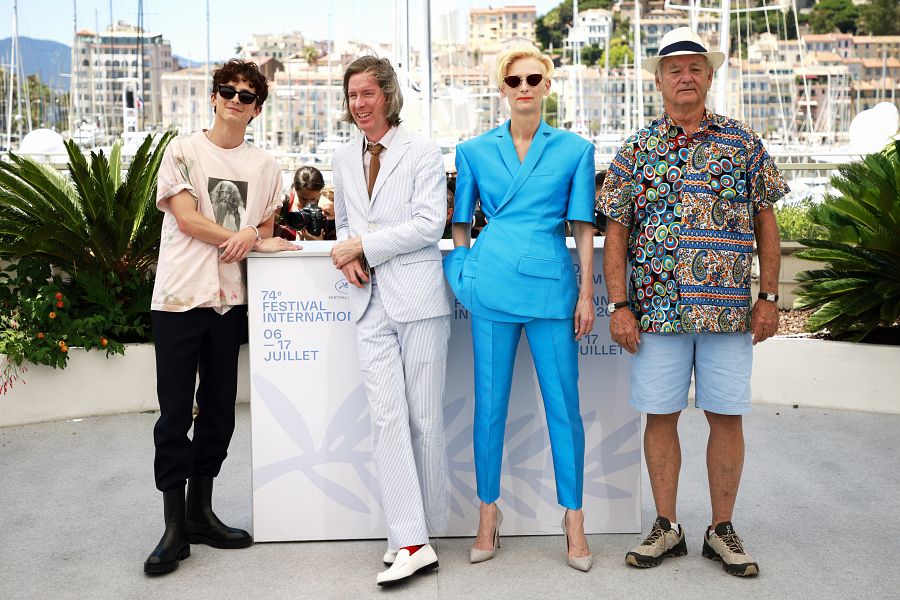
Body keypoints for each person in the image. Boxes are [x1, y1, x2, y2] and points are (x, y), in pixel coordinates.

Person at [597, 27, 788, 578]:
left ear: (709, 76)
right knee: (660, 415)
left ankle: (721, 528)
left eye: (695, 67)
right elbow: (617, 233)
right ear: (658, 81)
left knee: (727, 415)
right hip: (656, 313)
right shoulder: (636, 149)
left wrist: (768, 297)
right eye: (674, 68)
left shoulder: (744, 143)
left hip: (729, 312)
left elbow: (765, 224)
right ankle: (666, 526)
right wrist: (619, 304)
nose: (685, 76)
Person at [443, 45, 596, 572]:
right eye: (514, 80)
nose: (524, 87)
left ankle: (573, 517)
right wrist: (463, 274)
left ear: (547, 86)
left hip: (552, 288)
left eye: (534, 78)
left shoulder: (575, 149)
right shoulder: (473, 150)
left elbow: (582, 227)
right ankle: (488, 512)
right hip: (491, 286)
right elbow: (460, 224)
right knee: (489, 407)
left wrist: (586, 294)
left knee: (564, 410)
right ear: (503, 88)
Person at [144, 58, 298, 575]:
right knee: (173, 412)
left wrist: (256, 235)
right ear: (213, 97)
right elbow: (186, 218)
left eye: (247, 95)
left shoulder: (266, 167)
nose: (235, 99)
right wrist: (244, 234)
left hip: (229, 301)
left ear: (257, 109)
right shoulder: (183, 151)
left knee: (219, 410)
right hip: (180, 297)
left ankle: (200, 514)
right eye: (227, 90)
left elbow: (270, 231)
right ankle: (172, 528)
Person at [329, 55, 451, 587]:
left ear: (388, 96)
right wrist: (350, 252)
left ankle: (421, 535)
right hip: (368, 302)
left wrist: (363, 245)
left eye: (367, 94)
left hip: (420, 299)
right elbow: (346, 223)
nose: (359, 104)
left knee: (424, 420)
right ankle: (409, 537)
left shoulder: (423, 152)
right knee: (386, 419)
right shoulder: (340, 156)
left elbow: (429, 224)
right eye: (352, 95)